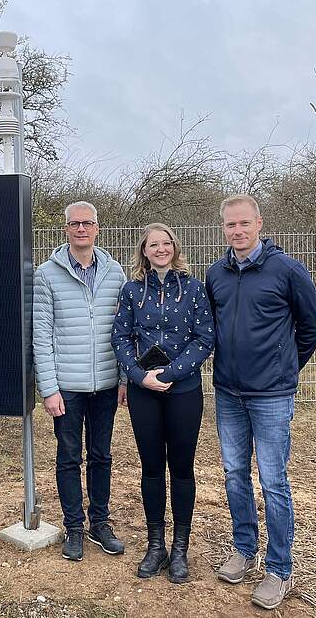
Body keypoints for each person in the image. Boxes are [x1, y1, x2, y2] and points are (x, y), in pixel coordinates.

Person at [206, 194, 316, 610]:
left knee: (273, 482)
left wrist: (284, 367)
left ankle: (279, 569)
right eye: (229, 225)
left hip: (272, 395)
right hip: (228, 393)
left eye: (244, 223)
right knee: (234, 473)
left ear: (259, 223)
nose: (237, 231)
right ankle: (244, 548)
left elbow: (311, 327)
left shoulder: (287, 270)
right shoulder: (215, 273)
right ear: (223, 228)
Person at [111, 223, 214, 583]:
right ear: (144, 250)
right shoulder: (131, 290)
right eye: (153, 244)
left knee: (182, 469)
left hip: (183, 391)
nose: (160, 249)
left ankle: (180, 548)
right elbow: (120, 337)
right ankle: (156, 546)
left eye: (165, 243)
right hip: (144, 393)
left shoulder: (194, 288)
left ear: (175, 247)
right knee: (152, 468)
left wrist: (169, 374)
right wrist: (141, 378)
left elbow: (204, 338)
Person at [33, 201, 127, 562]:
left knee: (101, 455)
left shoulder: (114, 272)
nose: (81, 229)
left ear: (98, 228)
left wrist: (122, 378)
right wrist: (49, 388)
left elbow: (124, 331)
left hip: (105, 383)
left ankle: (99, 522)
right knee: (69, 456)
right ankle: (74, 526)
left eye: (88, 223)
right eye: (75, 224)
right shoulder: (47, 273)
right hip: (67, 388)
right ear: (66, 229)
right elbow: (41, 334)